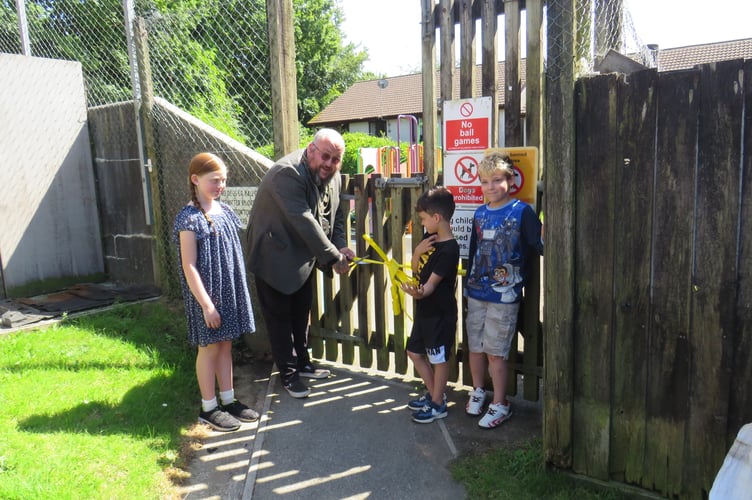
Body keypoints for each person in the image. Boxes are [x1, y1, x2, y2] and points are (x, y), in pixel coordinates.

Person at [246, 128, 354, 398]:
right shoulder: (288, 174)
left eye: (335, 159)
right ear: (311, 149)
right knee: (280, 319)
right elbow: (304, 220)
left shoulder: (334, 176)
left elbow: (338, 214)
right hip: (274, 256)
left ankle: (302, 363)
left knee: (300, 314)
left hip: (301, 256)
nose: (329, 164)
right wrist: (333, 258)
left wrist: (339, 245)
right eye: (325, 156)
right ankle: (288, 374)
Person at [173, 152, 259, 432]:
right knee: (209, 348)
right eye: (214, 180)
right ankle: (208, 407)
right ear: (195, 179)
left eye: (223, 180)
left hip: (228, 291)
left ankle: (229, 399)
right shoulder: (189, 218)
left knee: (225, 345)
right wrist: (207, 306)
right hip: (207, 297)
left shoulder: (225, 211)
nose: (220, 186)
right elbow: (189, 266)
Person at [464, 152, 543, 429]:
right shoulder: (479, 213)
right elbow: (474, 253)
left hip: (504, 296)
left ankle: (501, 403)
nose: (490, 187)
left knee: (496, 352)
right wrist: (467, 284)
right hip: (476, 292)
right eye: (485, 181)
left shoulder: (522, 212)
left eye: (496, 180)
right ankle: (478, 390)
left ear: (510, 180)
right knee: (475, 347)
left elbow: (540, 245)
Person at [401, 187, 460, 423]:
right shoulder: (429, 239)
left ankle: (437, 404)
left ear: (436, 218)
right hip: (425, 311)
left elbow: (431, 286)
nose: (422, 224)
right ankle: (436, 395)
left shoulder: (449, 249)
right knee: (414, 352)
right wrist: (416, 252)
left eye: (424, 219)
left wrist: (418, 292)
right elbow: (416, 269)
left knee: (438, 359)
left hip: (440, 314)